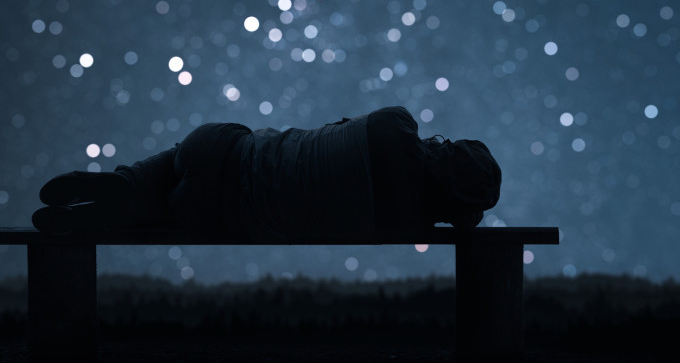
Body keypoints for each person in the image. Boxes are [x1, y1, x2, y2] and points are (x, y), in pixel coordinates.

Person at [33, 106, 502, 242]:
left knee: (158, 174)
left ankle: (126, 182)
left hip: (217, 147)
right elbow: (457, 221)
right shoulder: (407, 224)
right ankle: (115, 209)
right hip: (218, 212)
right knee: (162, 209)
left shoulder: (394, 124)